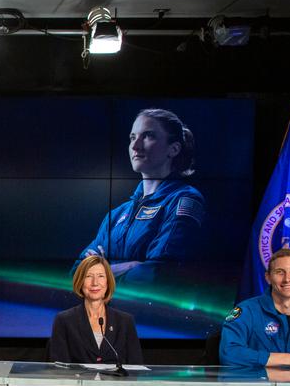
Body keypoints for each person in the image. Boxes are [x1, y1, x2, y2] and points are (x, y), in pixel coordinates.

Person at [78, 108, 205, 277]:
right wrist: (131, 265)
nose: (135, 146)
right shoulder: (116, 215)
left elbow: (158, 273)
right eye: (132, 137)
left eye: (148, 136)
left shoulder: (184, 200)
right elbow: (77, 273)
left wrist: (102, 271)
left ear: (173, 149)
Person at [48, 256, 142, 364]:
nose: (95, 283)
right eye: (88, 276)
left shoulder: (125, 321)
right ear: (80, 281)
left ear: (108, 282)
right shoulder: (64, 320)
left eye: (101, 276)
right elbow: (59, 370)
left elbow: (136, 367)